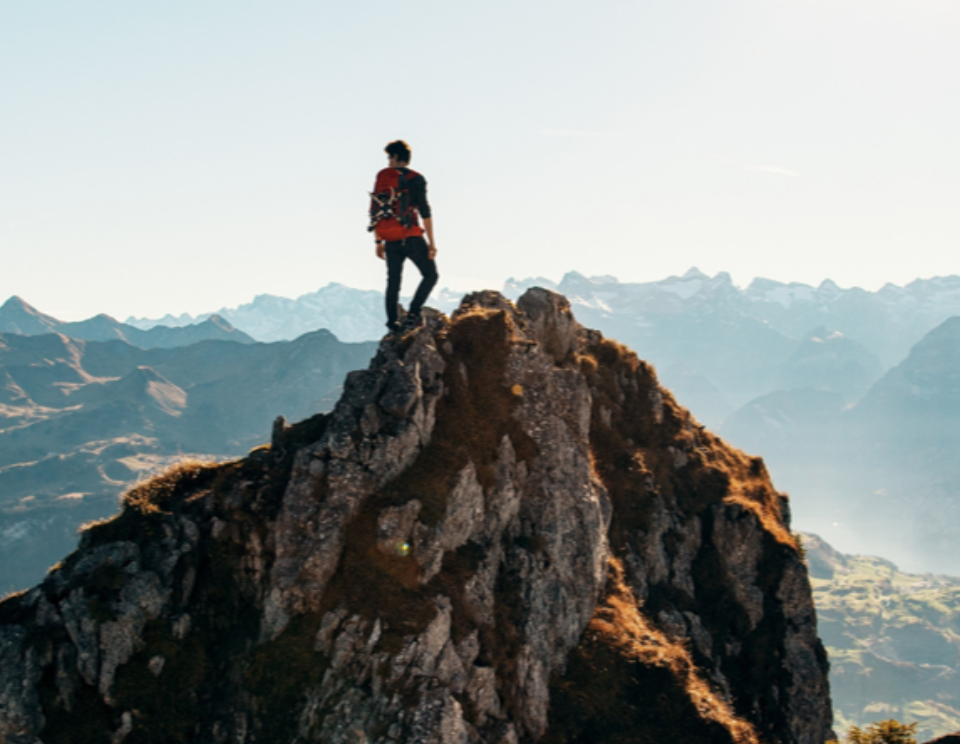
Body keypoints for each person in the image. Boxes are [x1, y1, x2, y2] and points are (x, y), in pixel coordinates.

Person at [369, 140, 439, 335]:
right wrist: (432, 242)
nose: (388, 161)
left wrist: (378, 241)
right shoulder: (416, 179)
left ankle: (392, 323)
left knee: (393, 282)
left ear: (397, 157)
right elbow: (425, 211)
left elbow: (376, 210)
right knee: (430, 275)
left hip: (390, 239)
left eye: (390, 157)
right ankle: (413, 314)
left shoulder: (383, 179)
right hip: (411, 237)